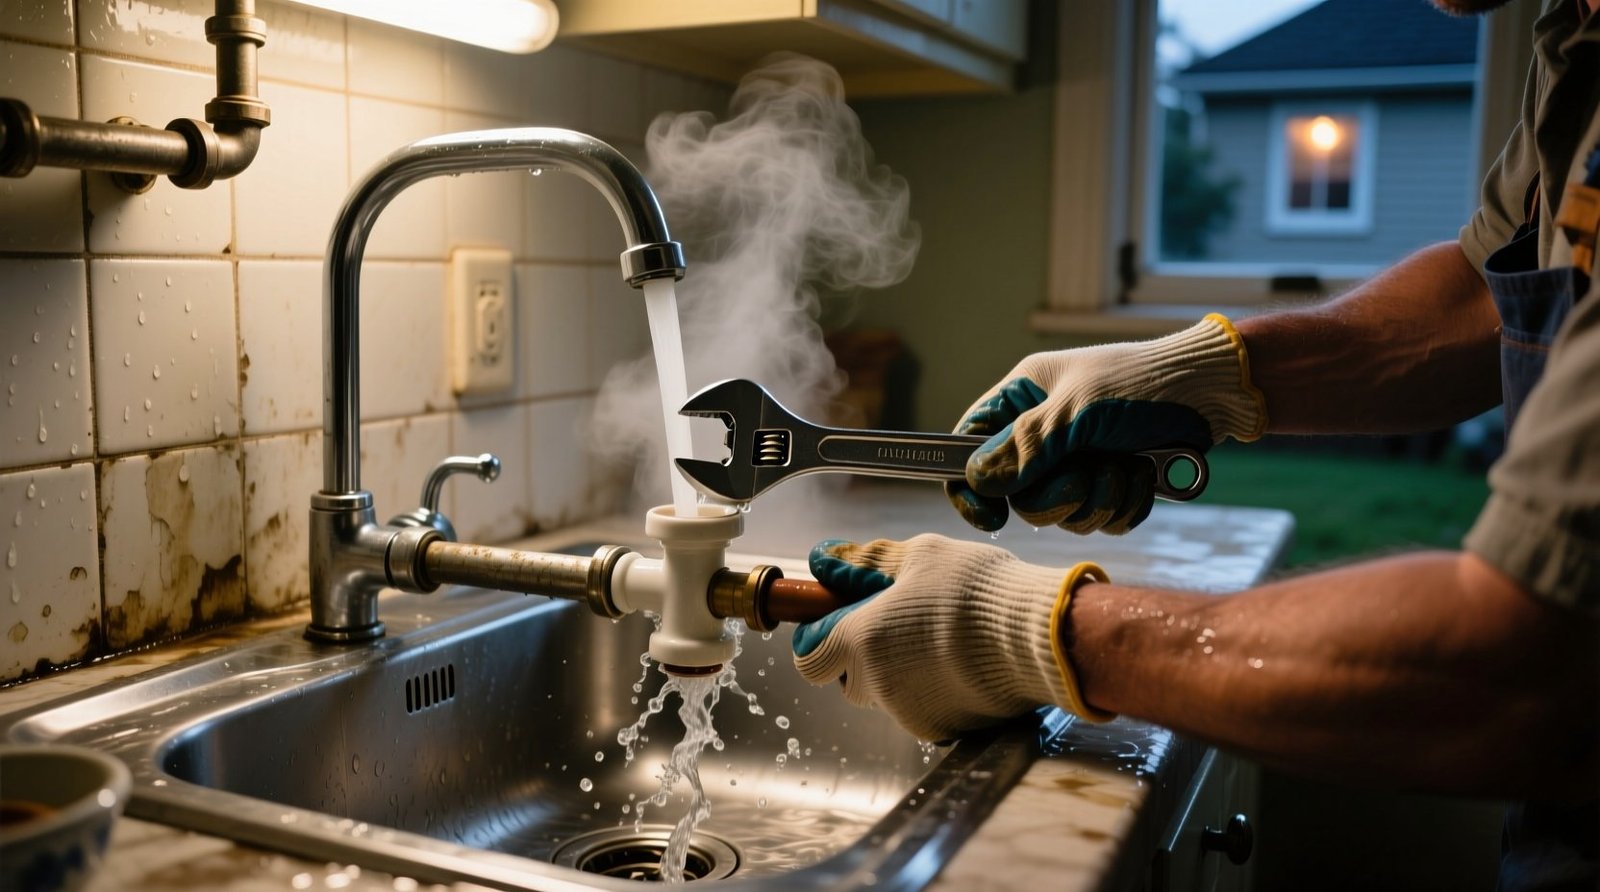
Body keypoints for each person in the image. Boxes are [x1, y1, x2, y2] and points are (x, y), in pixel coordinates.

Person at [790, 0, 1599, 887]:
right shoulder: (1573, 40)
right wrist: (1202, 373)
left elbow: (1540, 663)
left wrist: (1034, 631)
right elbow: (1482, 295)